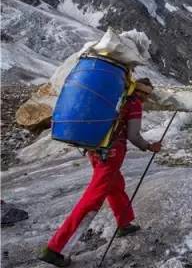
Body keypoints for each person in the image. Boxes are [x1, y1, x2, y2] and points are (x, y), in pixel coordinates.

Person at [39, 78, 162, 267]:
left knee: (115, 185)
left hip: (96, 149)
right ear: (141, 92)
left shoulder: (116, 98)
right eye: (145, 94)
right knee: (92, 199)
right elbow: (133, 135)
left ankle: (124, 223)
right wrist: (149, 146)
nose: (145, 98)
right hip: (112, 154)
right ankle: (55, 248)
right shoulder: (134, 104)